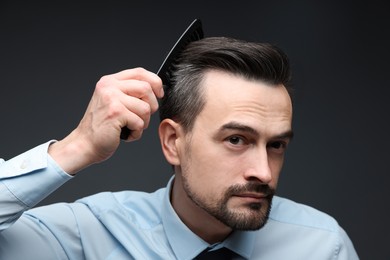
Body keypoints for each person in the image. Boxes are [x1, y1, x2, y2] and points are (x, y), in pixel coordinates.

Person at [0, 37, 359, 259]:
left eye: (276, 144)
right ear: (173, 141)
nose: (263, 172)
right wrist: (77, 147)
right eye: (236, 140)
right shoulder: (86, 237)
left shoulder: (323, 246)